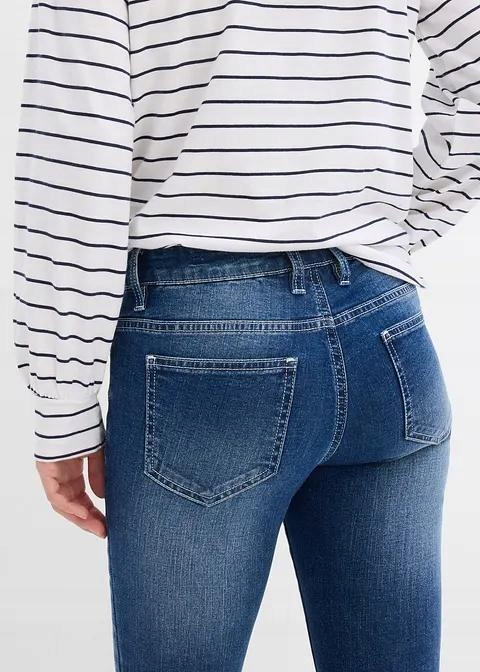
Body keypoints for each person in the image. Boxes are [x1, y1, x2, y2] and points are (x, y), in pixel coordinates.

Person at [12, 1, 478, 670]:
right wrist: (394, 229)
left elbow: (74, 166)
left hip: (203, 343)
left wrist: (62, 405)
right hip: (386, 331)